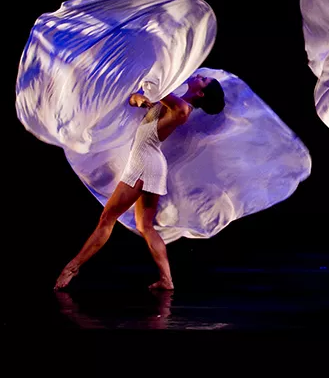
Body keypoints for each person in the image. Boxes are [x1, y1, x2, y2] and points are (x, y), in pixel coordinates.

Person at [54, 74, 225, 291]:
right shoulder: (174, 101)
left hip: (144, 164)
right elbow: (143, 100)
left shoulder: (181, 108)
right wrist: (138, 100)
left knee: (107, 218)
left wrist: (147, 84)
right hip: (151, 163)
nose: (199, 75)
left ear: (200, 92)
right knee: (145, 226)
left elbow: (154, 89)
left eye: (204, 80)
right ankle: (167, 280)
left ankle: (72, 267)